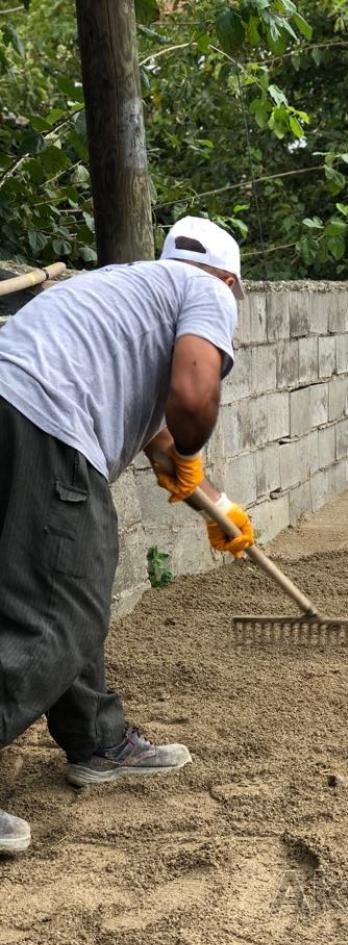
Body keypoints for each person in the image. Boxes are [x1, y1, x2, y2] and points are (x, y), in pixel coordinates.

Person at [0, 216, 256, 854]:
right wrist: (195, 448)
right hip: (44, 426)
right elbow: (192, 402)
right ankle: (98, 741)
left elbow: (161, 447)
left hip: (15, 413)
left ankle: (97, 740)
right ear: (226, 277)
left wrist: (216, 507)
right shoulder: (208, 291)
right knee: (65, 605)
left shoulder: (117, 296)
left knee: (57, 585)